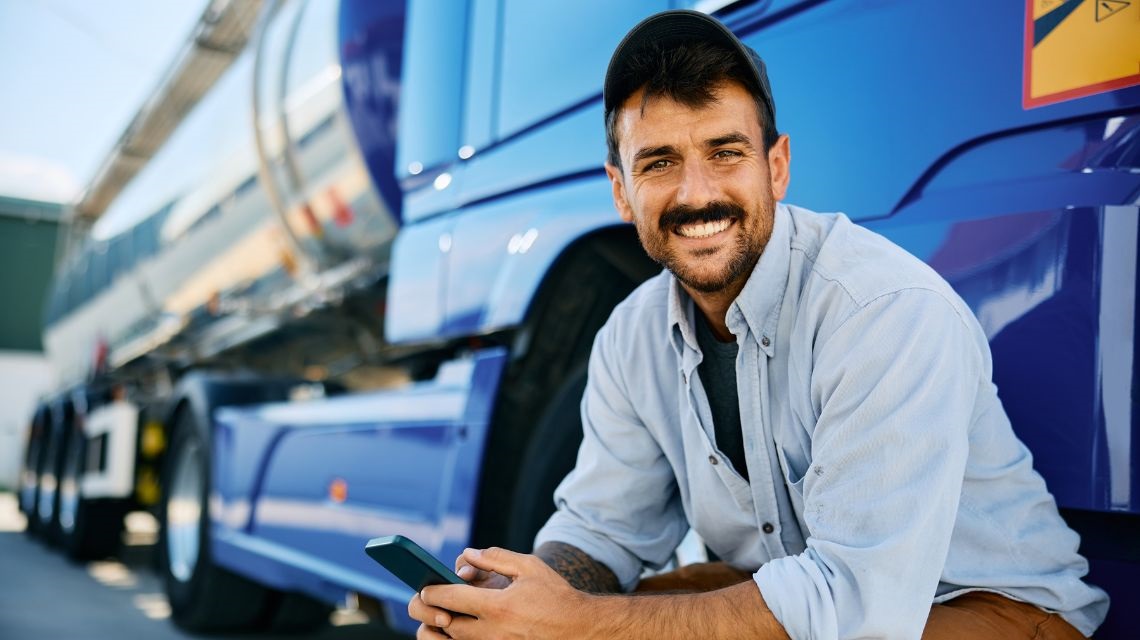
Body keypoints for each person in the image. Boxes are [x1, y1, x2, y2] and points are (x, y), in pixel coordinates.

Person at [407, 9, 1108, 639]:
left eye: (725, 152)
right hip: (824, 600)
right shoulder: (631, 337)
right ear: (621, 192)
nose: (697, 193)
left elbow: (854, 611)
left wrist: (584, 627)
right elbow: (601, 531)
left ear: (777, 166)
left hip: (996, 616)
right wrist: (520, 602)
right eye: (659, 163)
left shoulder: (881, 310)